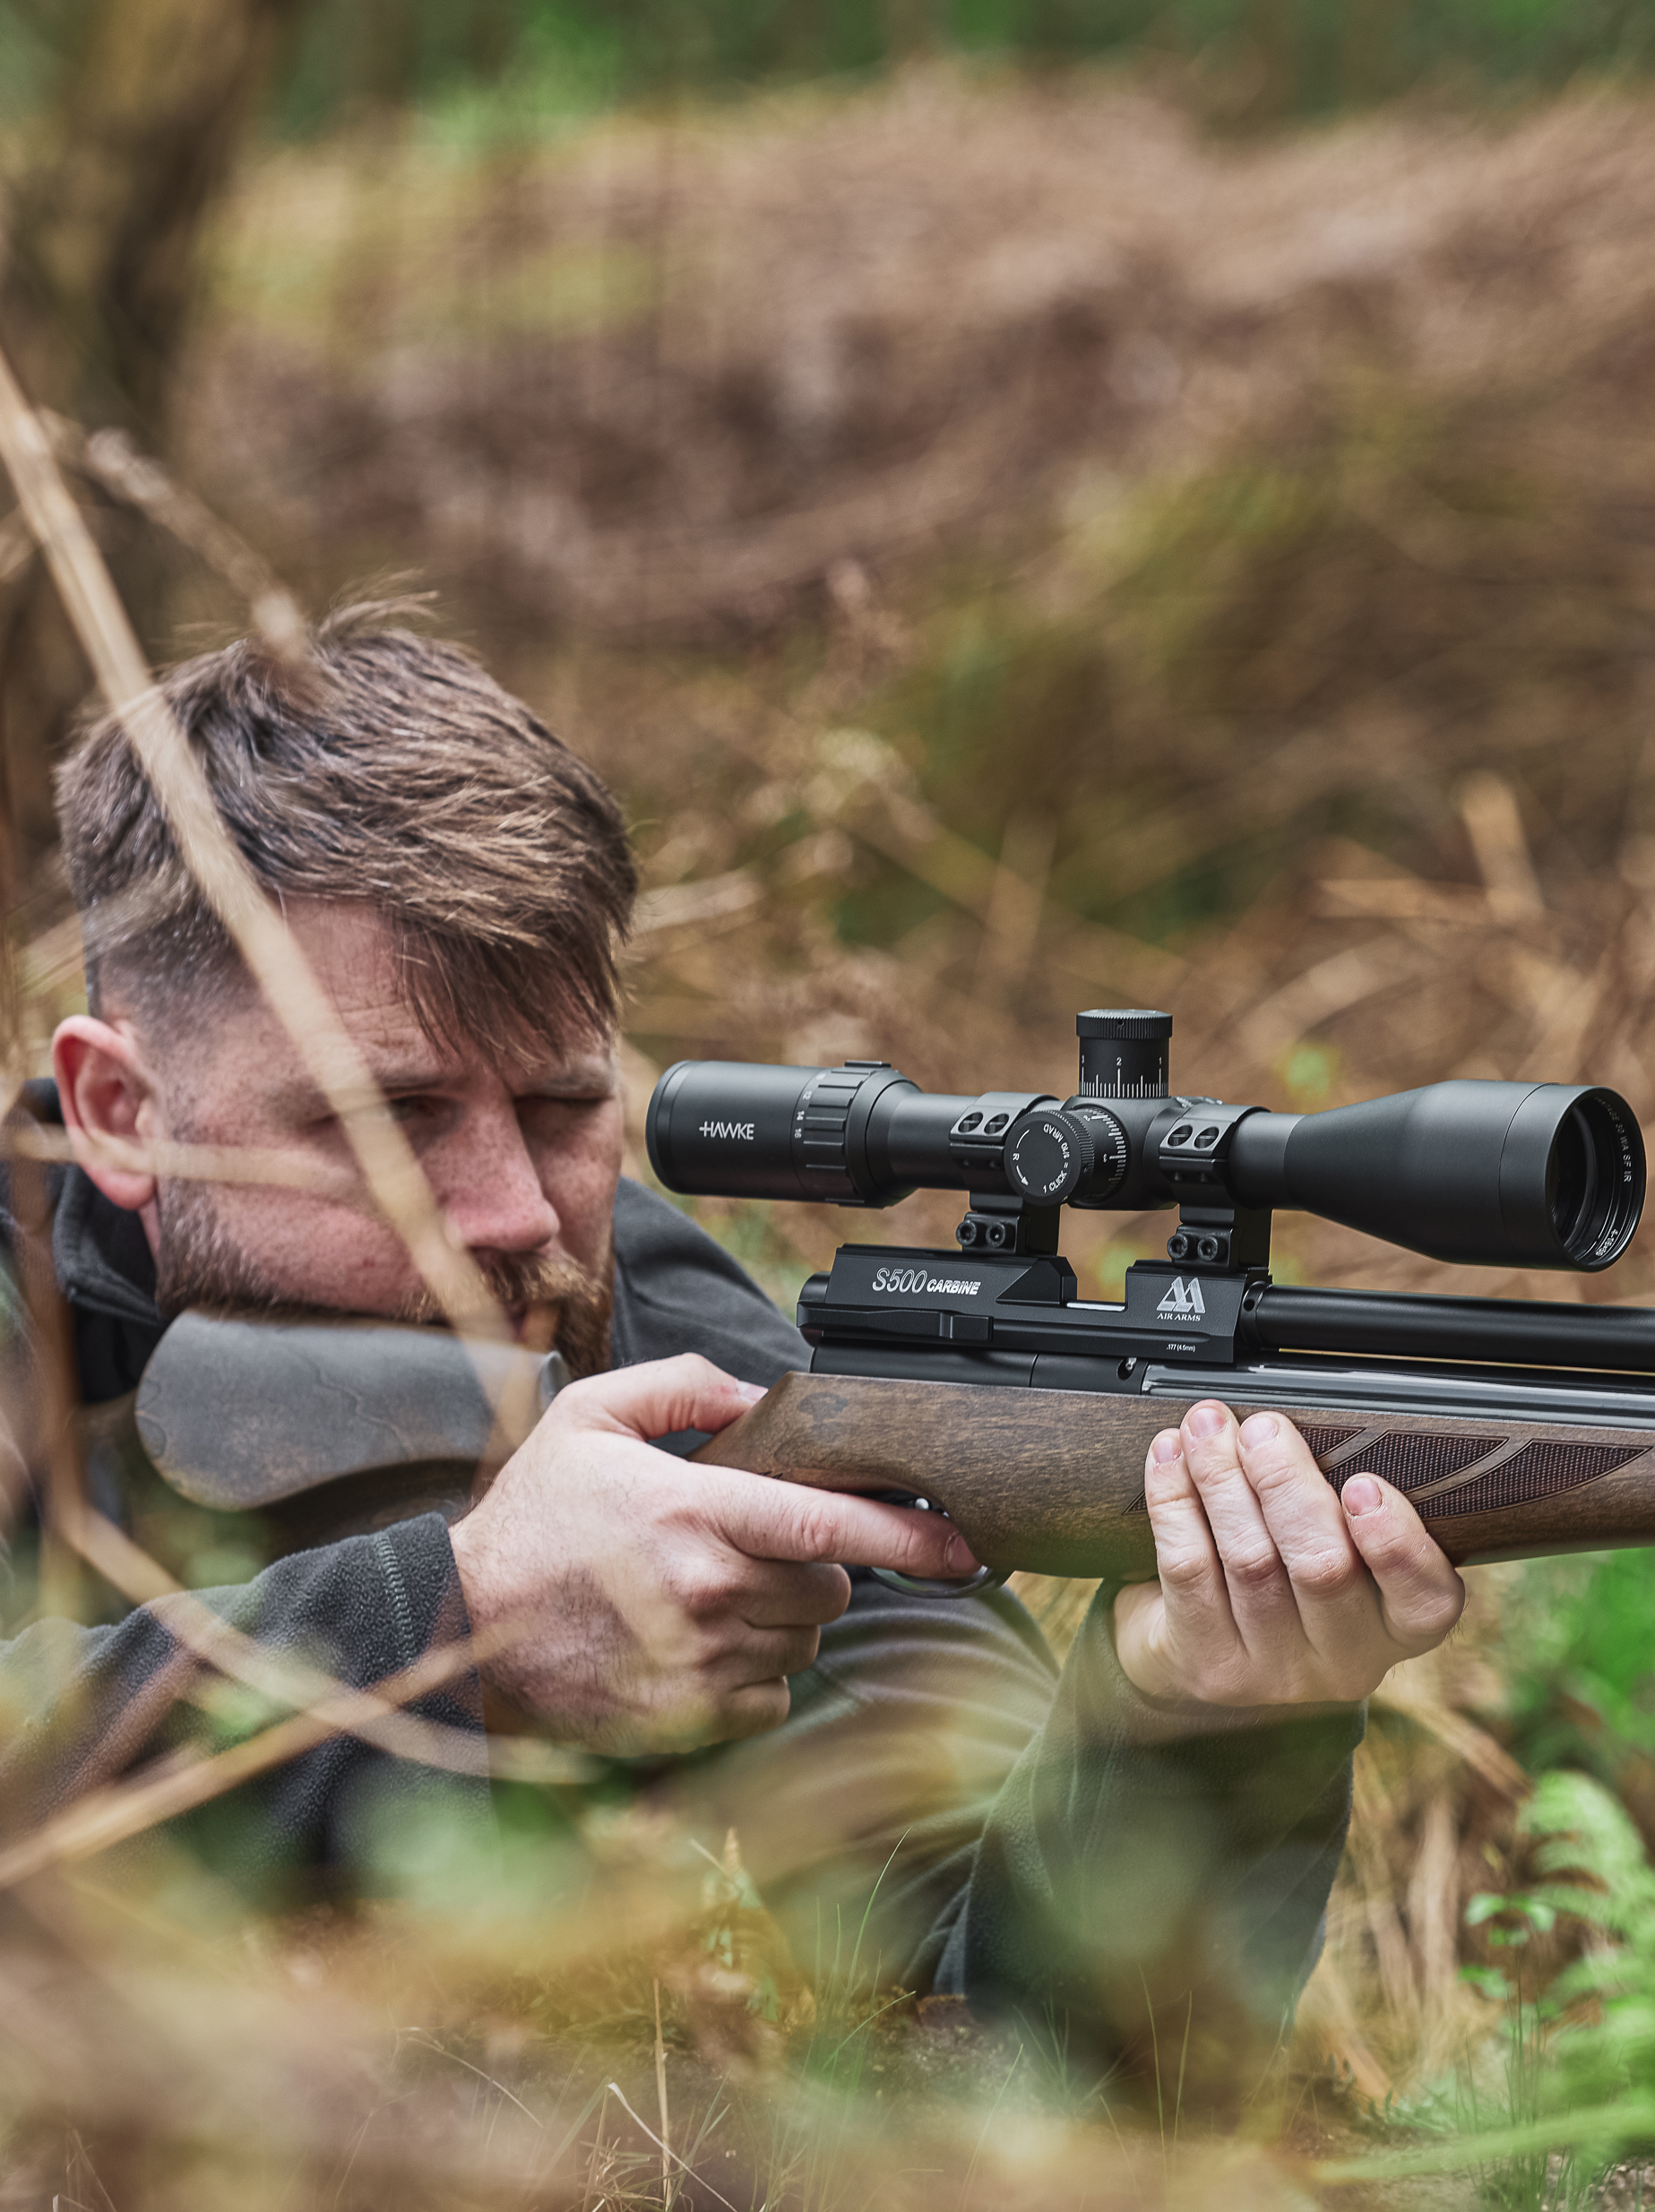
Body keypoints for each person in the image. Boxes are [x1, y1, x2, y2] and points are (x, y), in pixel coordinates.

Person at [0, 607, 1466, 2060]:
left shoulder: (682, 1365)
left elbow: (998, 2041)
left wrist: (1193, 1727)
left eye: (563, 1108)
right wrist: (451, 1627)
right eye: (393, 1118)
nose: (518, 1212)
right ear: (121, 1112)